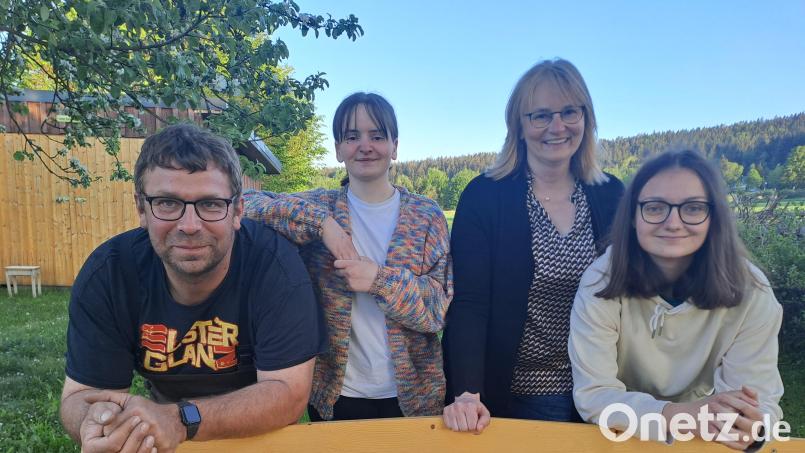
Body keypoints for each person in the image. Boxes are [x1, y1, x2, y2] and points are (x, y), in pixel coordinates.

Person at [60, 123, 325, 452]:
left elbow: (288, 395)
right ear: (141, 209)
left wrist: (180, 419)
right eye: (168, 203)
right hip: (164, 426)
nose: (189, 226)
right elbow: (78, 396)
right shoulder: (109, 273)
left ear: (238, 210)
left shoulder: (276, 268)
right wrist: (97, 420)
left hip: (263, 433)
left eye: (211, 204)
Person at [244, 92, 453, 421]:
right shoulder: (321, 206)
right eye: (352, 136)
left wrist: (379, 281)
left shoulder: (426, 216)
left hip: (412, 395)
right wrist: (323, 225)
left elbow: (437, 309)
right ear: (339, 149)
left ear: (394, 146)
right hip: (334, 394)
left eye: (377, 136)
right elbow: (246, 204)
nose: (365, 146)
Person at [441, 58, 624, 432]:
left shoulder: (612, 195)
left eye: (569, 112)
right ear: (518, 126)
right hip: (517, 393)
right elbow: (470, 303)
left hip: (604, 389)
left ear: (586, 119)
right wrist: (467, 391)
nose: (557, 127)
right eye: (540, 116)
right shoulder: (485, 196)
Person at [569, 149, 783, 451]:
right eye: (655, 207)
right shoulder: (600, 280)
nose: (673, 222)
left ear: (714, 216)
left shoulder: (752, 292)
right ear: (632, 216)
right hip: (620, 429)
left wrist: (751, 428)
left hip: (702, 430)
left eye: (693, 208)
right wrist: (678, 415)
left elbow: (757, 400)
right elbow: (593, 395)